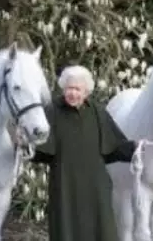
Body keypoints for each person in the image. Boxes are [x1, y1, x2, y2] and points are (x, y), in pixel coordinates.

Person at [30, 65, 137, 241]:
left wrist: (136, 148)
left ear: (86, 91)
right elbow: (42, 151)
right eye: (69, 88)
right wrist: (24, 146)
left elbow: (114, 148)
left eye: (77, 89)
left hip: (96, 189)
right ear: (63, 89)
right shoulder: (52, 111)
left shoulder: (97, 112)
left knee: (102, 230)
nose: (72, 93)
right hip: (65, 187)